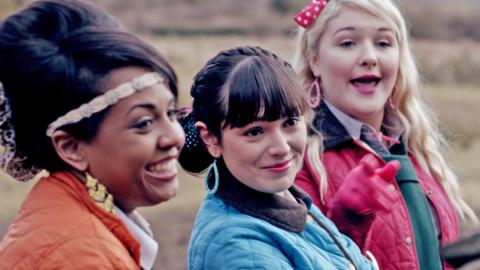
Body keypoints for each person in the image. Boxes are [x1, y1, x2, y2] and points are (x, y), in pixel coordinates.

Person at [292, 0, 478, 269]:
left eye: (383, 43)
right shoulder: (297, 159)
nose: (370, 57)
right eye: (348, 43)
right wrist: (345, 223)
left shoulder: (416, 148)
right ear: (315, 62)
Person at [0, 1, 184, 269]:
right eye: (144, 123)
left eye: (171, 113)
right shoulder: (80, 256)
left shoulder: (65, 220)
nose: (174, 137)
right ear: (71, 147)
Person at [178, 45, 392, 269]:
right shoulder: (233, 245)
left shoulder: (288, 198)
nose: (281, 147)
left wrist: (350, 220)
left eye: (290, 122)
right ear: (211, 138)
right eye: (255, 132)